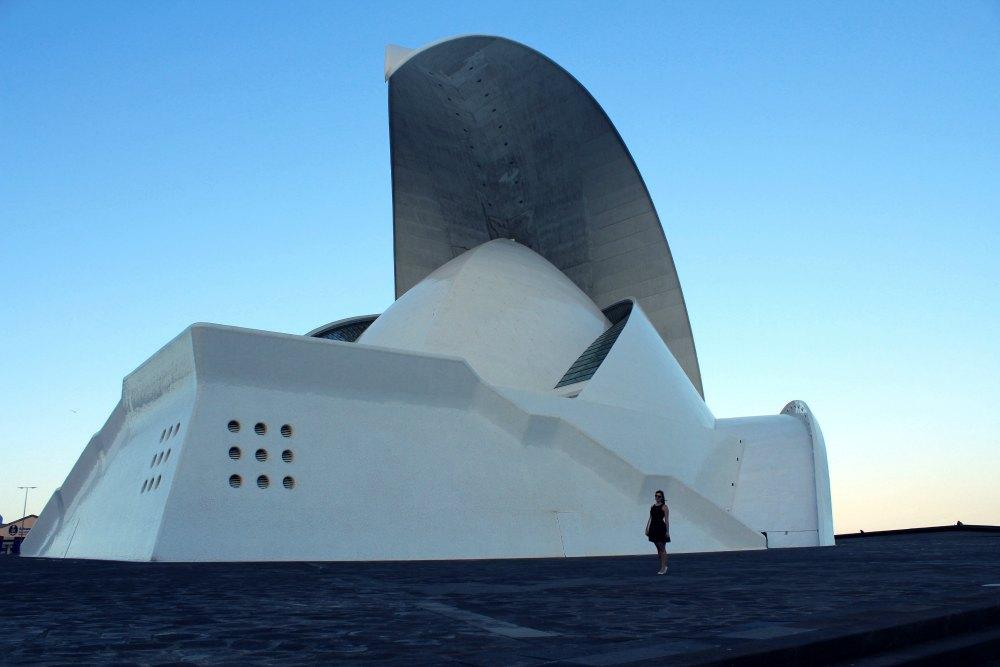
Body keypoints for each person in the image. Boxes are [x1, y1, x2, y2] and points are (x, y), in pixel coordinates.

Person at [644, 489, 670, 574]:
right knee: (658, 549)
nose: (657, 497)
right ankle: (663, 566)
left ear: (662, 497)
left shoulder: (664, 507)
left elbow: (666, 520)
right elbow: (650, 518)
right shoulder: (652, 506)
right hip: (653, 528)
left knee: (662, 548)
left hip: (661, 528)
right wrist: (647, 528)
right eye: (656, 496)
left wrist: (667, 531)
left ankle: (664, 567)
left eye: (659, 496)